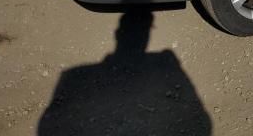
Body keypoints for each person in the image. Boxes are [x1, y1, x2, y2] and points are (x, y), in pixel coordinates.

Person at [38, 8, 211, 135]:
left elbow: (46, 125)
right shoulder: (166, 60)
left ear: (117, 34)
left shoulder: (74, 75)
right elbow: (204, 122)